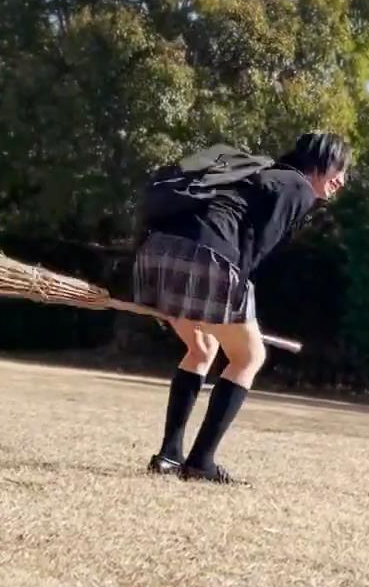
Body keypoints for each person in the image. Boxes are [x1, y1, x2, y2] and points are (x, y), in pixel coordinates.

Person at [133, 131, 351, 483]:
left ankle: (169, 456)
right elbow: (255, 247)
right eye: (339, 169)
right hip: (206, 257)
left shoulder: (259, 174)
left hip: (156, 253)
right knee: (250, 357)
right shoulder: (297, 187)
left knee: (202, 347)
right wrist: (238, 292)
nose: (342, 180)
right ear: (319, 163)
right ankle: (200, 463)